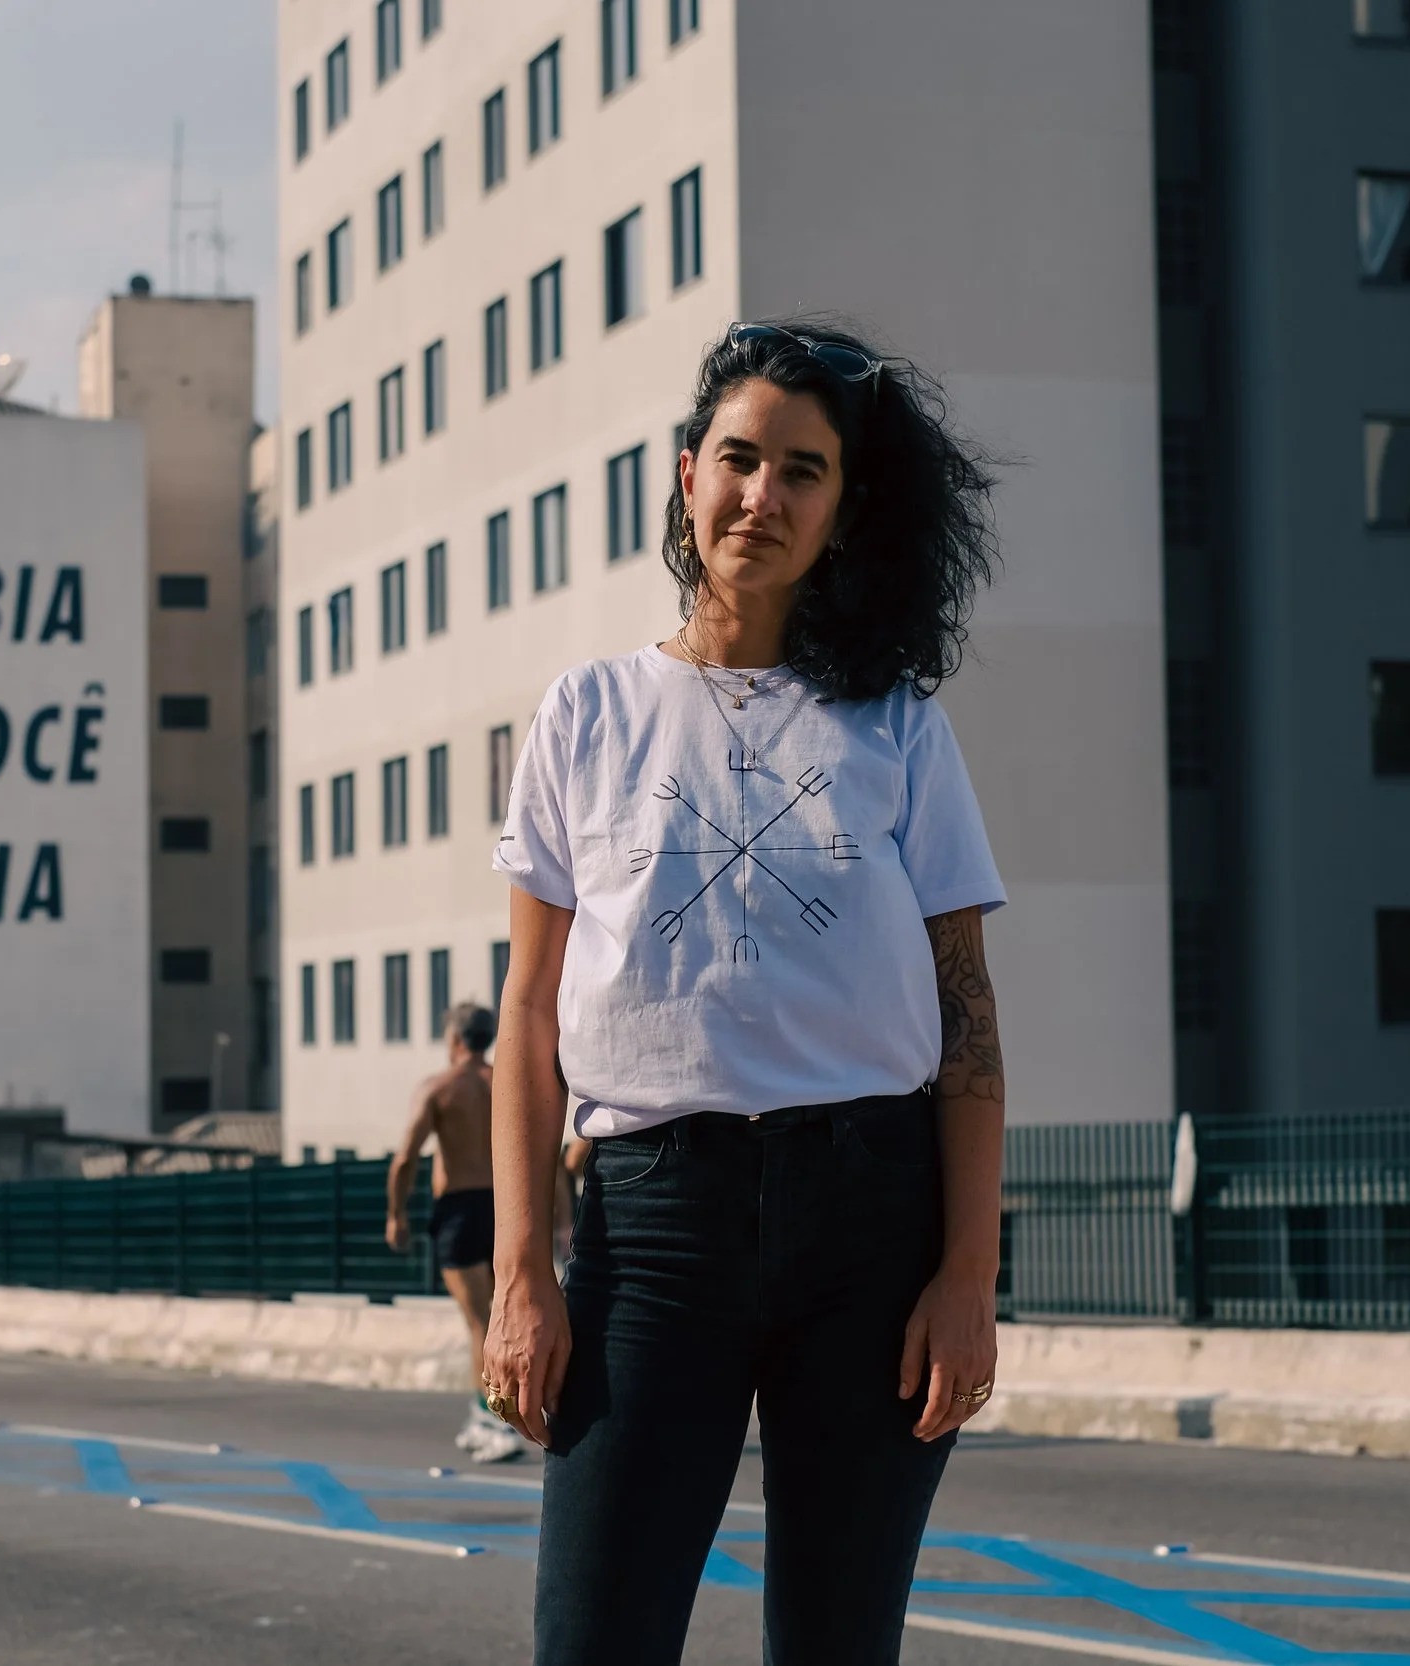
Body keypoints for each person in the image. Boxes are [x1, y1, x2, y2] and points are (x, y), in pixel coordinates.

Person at [481, 319, 1009, 1664]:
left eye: (803, 470)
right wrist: (520, 1269)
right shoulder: (587, 715)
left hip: (870, 1229)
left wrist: (966, 1270)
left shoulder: (897, 724)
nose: (761, 495)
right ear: (685, 474)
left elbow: (966, 1013)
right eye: (739, 457)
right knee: (594, 1639)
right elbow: (528, 1019)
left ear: (842, 508)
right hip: (656, 1234)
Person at [386, 1002, 525, 1463]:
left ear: (454, 1040)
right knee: (507, 1316)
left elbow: (405, 1157)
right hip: (506, 1208)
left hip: (462, 1211)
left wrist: (396, 1215)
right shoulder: (504, 1081)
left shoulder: (440, 1087)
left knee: (480, 1323)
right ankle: (487, 1413)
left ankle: (494, 1418)